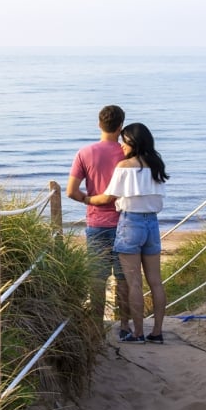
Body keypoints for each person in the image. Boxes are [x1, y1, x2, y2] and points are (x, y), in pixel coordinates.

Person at [86, 122, 169, 344]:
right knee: (156, 282)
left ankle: (138, 333)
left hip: (130, 223)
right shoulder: (157, 165)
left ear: (132, 142)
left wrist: (84, 198)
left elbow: (107, 197)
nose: (121, 146)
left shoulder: (124, 167)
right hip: (152, 224)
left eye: (124, 141)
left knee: (133, 283)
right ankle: (157, 332)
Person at [66, 105, 131, 338]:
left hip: (96, 224)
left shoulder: (84, 153)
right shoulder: (128, 153)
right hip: (125, 223)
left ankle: (96, 328)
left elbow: (71, 192)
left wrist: (88, 200)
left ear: (98, 124)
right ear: (121, 126)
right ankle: (124, 327)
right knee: (124, 278)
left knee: (97, 277)